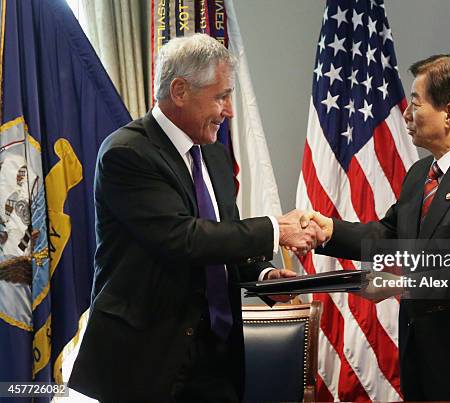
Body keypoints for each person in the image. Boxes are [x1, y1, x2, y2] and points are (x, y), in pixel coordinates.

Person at [69, 33, 323, 403]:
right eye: (221, 96)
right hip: (145, 358)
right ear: (180, 90)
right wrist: (274, 229)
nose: (229, 110)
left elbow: (221, 241)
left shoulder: (215, 156)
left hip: (217, 357)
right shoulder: (128, 153)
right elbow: (182, 238)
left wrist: (264, 276)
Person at [307, 55, 450, 400]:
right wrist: (326, 231)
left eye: (416, 102)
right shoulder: (420, 175)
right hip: (429, 368)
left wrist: (402, 284)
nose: (406, 114)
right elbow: (386, 236)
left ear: (449, 113)